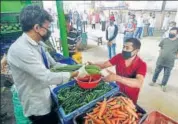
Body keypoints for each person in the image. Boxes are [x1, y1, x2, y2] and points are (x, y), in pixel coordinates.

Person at [7, 5, 79, 124]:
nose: (49, 31)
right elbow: (46, 76)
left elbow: (54, 65)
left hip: (47, 95)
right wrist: (74, 74)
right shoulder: (20, 50)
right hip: (38, 106)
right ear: (37, 27)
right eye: (47, 27)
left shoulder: (38, 44)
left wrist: (79, 67)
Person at [89, 38, 147, 103]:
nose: (124, 50)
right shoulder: (119, 57)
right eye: (123, 47)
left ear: (136, 51)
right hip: (118, 91)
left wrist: (116, 77)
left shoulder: (141, 64)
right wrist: (93, 64)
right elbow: (105, 64)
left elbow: (138, 83)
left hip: (130, 97)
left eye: (127, 48)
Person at [150, 27, 178, 92]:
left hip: (170, 62)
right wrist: (160, 54)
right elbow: (161, 48)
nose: (171, 33)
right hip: (161, 60)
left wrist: (174, 57)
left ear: (176, 34)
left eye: (173, 32)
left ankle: (163, 85)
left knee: (167, 74)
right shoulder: (165, 40)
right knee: (157, 71)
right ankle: (153, 81)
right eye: (170, 32)